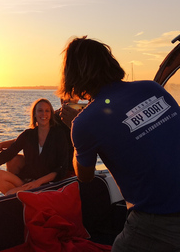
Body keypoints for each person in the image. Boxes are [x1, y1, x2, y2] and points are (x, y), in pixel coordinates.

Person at [58, 36, 180, 251]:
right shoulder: (152, 89)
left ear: (74, 75)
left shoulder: (84, 122)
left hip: (160, 218)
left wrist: (73, 131)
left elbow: (84, 177)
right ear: (110, 62)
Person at [0, 98, 70, 195]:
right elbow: (5, 156)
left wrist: (38, 182)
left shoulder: (58, 135)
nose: (44, 114)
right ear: (35, 114)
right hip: (27, 181)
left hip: (46, 184)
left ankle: (22, 197)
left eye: (47, 111)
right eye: (40, 110)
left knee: (10, 195)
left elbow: (60, 169)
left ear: (51, 114)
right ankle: (25, 196)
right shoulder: (28, 134)